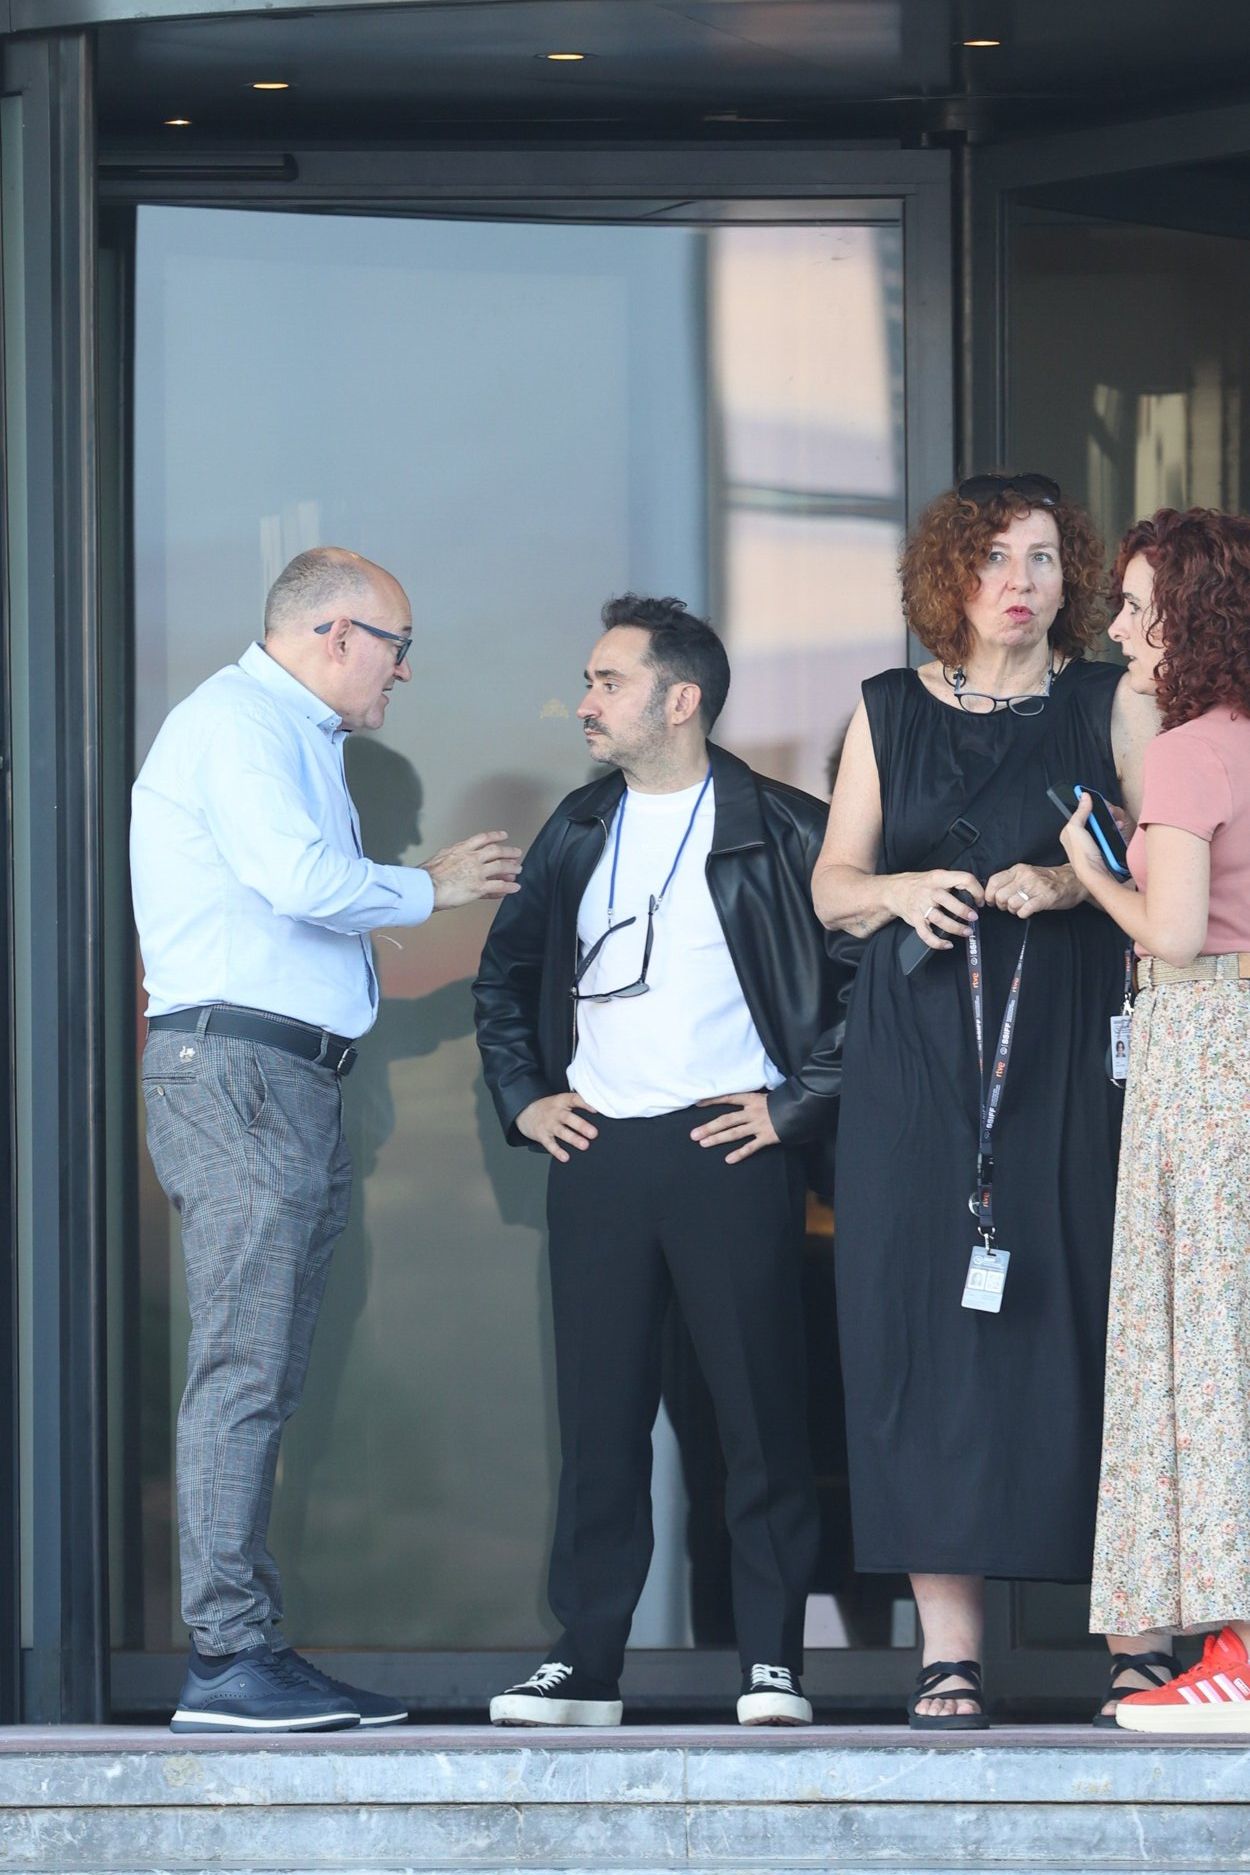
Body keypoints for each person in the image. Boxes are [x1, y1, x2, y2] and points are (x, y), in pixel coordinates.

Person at [131, 547, 521, 1734]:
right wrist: (429, 887)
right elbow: (295, 878)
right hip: (241, 1074)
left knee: (263, 1374)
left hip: (271, 1079)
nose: (403, 676)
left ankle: (245, 1649)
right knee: (244, 1376)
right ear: (336, 635)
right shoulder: (243, 724)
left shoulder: (289, 737)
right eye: (398, 650)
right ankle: (228, 1659)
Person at [811, 473, 1159, 1728]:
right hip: (915, 1068)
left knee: (1089, 1317)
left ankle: (1133, 1635)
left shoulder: (1108, 700)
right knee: (920, 1334)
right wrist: (902, 890)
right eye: (996, 559)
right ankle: (945, 1653)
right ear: (947, 577)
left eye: (1047, 561)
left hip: (1066, 1049)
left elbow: (1163, 857)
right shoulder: (885, 710)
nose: (1022, 584)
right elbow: (829, 886)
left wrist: (1074, 888)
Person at [473, 595, 848, 1727]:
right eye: (587, 683)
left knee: (757, 1420)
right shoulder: (577, 828)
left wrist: (794, 1110)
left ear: (678, 700)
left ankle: (771, 1663)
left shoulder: (785, 828)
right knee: (599, 1425)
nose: (583, 703)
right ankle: (584, 1665)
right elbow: (503, 977)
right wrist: (525, 1097)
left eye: (606, 682)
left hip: (725, 1150)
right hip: (598, 1153)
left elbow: (860, 995)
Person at [1060, 507, 1250, 1734]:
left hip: (1205, 1044)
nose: (1119, 626)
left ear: (1190, 616)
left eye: (1137, 605)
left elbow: (1173, 933)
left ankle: (1229, 1651)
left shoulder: (1190, 750)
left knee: (1199, 1340)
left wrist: (1093, 871)